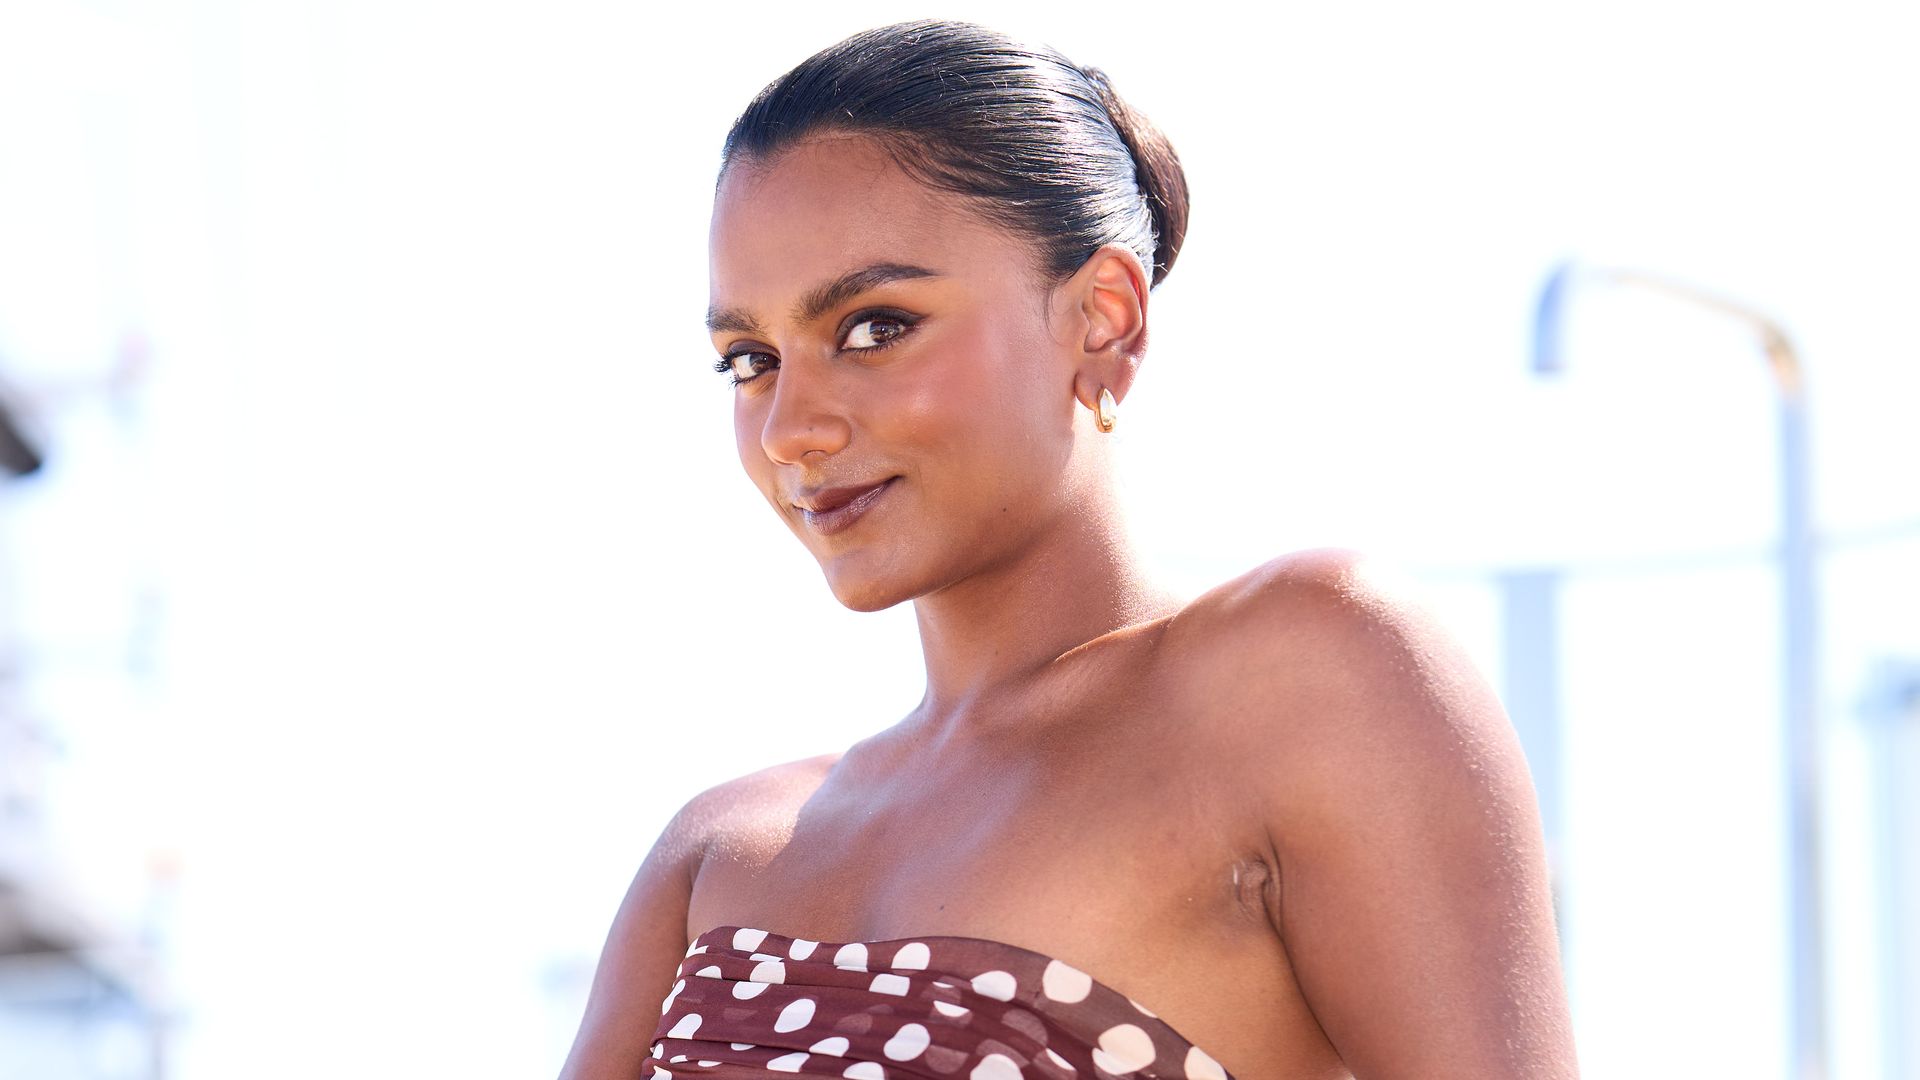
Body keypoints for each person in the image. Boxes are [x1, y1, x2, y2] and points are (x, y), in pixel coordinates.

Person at [559, 18, 1577, 1080]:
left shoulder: (1304, 683)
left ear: (1103, 318)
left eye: (874, 327)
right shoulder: (716, 860)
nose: (789, 429)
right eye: (751, 359)